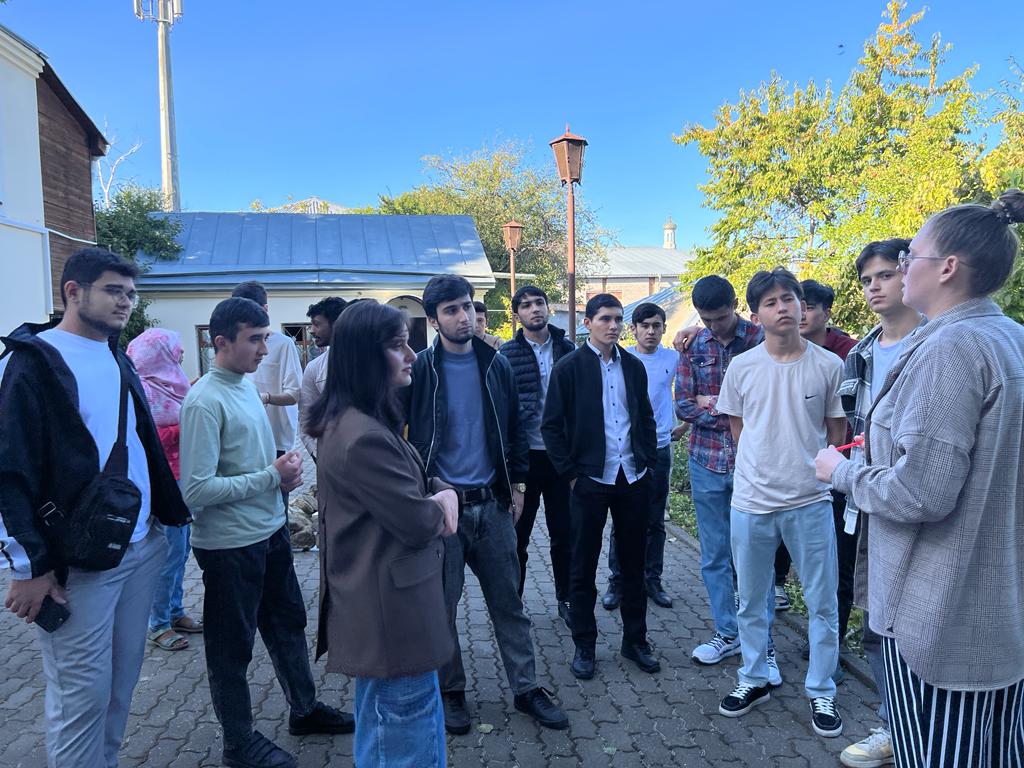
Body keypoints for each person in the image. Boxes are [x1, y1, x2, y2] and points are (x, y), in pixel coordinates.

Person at [817, 190, 1024, 767]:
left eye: (912, 255)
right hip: (995, 609)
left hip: (937, 616)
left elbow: (922, 493)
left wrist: (842, 471)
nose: (903, 266)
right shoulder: (1011, 337)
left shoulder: (951, 348)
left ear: (948, 267)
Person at [0, 247, 189, 767]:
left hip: (141, 547)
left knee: (118, 689)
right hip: (77, 565)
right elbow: (9, 469)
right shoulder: (32, 362)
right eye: (113, 291)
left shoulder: (117, 357)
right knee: (80, 700)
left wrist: (165, 519)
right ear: (73, 291)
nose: (125, 302)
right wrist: (29, 567)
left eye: (130, 293)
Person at [180, 297, 352, 768]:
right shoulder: (204, 400)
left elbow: (252, 467)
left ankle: (304, 709)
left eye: (265, 337)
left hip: (269, 533)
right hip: (229, 548)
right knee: (231, 649)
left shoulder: (246, 387)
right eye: (254, 339)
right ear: (221, 342)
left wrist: (282, 480)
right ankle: (238, 744)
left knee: (287, 623)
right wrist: (270, 477)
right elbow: (196, 489)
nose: (264, 349)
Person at [401, 275, 568, 736]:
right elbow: (401, 436)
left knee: (509, 603)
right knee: (442, 607)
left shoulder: (496, 365)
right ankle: (451, 690)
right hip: (443, 512)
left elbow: (515, 429)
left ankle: (526, 688)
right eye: (451, 310)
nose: (464, 318)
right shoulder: (421, 370)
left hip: (492, 506)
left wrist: (518, 485)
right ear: (433, 319)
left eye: (468, 307)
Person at [305, 300, 460, 768]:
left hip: (388, 608)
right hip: (392, 615)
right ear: (365, 357)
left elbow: (411, 480)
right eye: (398, 346)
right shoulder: (362, 435)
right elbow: (416, 521)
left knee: (387, 728)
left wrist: (434, 490)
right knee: (405, 736)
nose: (412, 355)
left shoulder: (361, 420)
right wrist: (443, 502)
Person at [714, 268, 847, 739]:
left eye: (789, 299)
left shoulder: (828, 366)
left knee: (822, 601)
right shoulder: (742, 367)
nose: (782, 307)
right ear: (756, 315)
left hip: (809, 501)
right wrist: (761, 468)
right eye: (770, 302)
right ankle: (754, 677)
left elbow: (836, 433)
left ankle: (822, 688)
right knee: (752, 599)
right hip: (752, 502)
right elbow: (738, 429)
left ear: (802, 305)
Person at [832, 239, 923, 768]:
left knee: (918, 620)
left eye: (885, 275)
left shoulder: (939, 343)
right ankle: (894, 725)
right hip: (862, 500)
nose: (874, 287)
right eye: (866, 280)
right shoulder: (861, 352)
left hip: (918, 503)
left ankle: (921, 729)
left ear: (913, 272)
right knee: (874, 616)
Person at [542, 293, 660, 680]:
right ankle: (585, 644)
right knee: (582, 566)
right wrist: (571, 474)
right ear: (588, 322)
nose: (613, 326)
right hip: (590, 480)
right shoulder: (569, 367)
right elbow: (551, 426)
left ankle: (635, 640)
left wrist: (647, 461)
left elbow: (644, 417)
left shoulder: (633, 366)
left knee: (633, 566)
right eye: (605, 319)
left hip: (632, 477)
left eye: (618, 319)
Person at [673, 276, 775, 674]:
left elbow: (769, 405)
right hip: (705, 463)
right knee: (714, 556)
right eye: (706, 319)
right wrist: (730, 411)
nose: (715, 326)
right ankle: (728, 632)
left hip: (754, 464)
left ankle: (763, 643)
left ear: (735, 305)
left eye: (721, 317)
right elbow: (684, 405)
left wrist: (712, 403)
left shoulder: (763, 340)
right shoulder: (692, 345)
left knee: (755, 556)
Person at [773, 279, 858, 619]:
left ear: (827, 313)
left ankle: (832, 633)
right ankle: (778, 586)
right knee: (778, 535)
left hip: (839, 468)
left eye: (809, 307)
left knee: (837, 556)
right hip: (792, 467)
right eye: (799, 306)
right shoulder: (777, 349)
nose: (801, 314)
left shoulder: (849, 353)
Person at [498, 286, 576, 626]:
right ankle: (513, 606)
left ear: (547, 308)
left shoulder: (568, 349)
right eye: (526, 305)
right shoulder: (507, 354)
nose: (534, 309)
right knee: (517, 537)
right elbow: (501, 409)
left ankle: (567, 599)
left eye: (539, 303)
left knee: (565, 535)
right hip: (524, 460)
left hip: (560, 459)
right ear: (517, 314)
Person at [126, 328, 203, 652]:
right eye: (176, 348)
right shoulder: (140, 390)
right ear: (158, 353)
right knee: (167, 554)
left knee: (181, 551)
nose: (182, 353)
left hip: (183, 476)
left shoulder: (173, 383)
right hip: (161, 482)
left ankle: (175, 611)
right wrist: (189, 424)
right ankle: (157, 624)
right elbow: (148, 439)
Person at [603, 302, 679, 610]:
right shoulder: (621, 359)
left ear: (663, 328)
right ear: (633, 329)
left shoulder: (673, 358)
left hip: (659, 449)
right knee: (622, 519)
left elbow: (691, 388)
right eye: (644, 326)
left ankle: (652, 579)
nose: (651, 331)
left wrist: (684, 424)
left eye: (656, 326)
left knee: (655, 520)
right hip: (626, 450)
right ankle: (617, 581)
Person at [231, 281, 303, 503]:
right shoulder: (234, 344)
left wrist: (266, 398)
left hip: (276, 439)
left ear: (265, 310)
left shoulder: (283, 344)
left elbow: (295, 394)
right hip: (242, 437)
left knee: (277, 503)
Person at [298, 296, 348, 460]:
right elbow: (307, 419)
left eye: (317, 324)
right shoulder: (314, 368)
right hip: (331, 458)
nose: (312, 330)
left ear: (337, 324)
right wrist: (318, 455)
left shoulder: (371, 362)